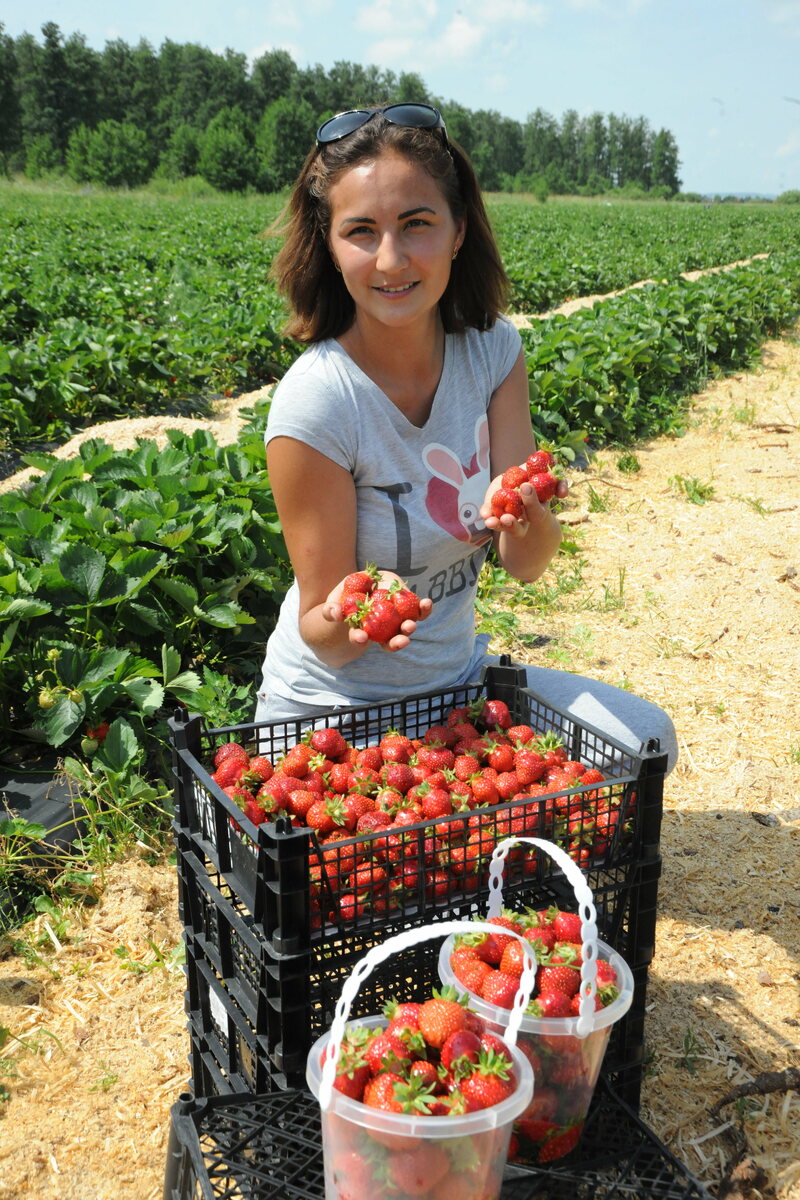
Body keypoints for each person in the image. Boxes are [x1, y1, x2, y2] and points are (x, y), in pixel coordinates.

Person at [255, 103, 677, 773]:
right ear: (331, 247)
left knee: (645, 740)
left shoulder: (492, 353)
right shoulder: (319, 401)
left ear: (457, 231)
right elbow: (325, 641)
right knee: (400, 862)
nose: (391, 259)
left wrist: (528, 513)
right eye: (361, 231)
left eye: (416, 224)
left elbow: (525, 563)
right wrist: (349, 607)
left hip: (457, 694)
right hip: (331, 717)